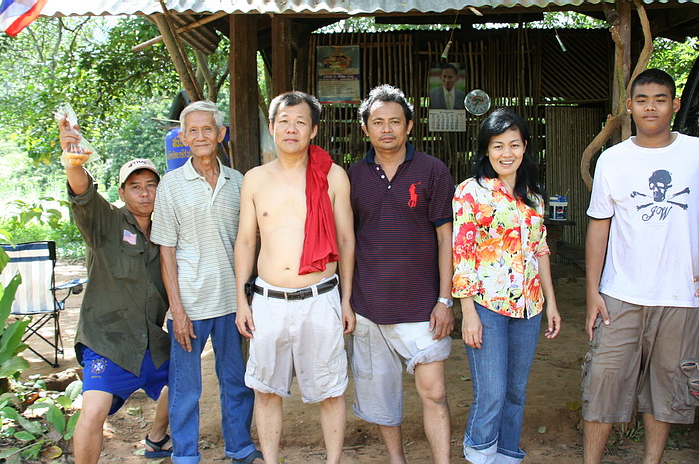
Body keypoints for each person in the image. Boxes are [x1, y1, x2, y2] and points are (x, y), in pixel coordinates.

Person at [582, 69, 699, 464]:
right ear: (630, 107)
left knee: (667, 389)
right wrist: (592, 292)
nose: (651, 107)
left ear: (675, 105)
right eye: (642, 100)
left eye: (660, 99)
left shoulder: (697, 153)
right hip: (620, 295)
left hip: (681, 296)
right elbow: (598, 227)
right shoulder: (612, 160)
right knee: (603, 383)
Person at [234, 91, 356, 464]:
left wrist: (346, 300)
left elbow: (347, 240)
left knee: (330, 390)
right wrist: (242, 301)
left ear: (313, 130)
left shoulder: (332, 176)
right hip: (269, 301)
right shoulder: (255, 179)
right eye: (284, 121)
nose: (292, 129)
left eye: (301, 122)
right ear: (272, 127)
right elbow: (246, 240)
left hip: (321, 297)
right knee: (266, 390)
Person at [150, 101, 262, 464]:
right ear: (183, 137)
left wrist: (247, 298)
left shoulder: (238, 182)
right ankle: (185, 455)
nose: (200, 137)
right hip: (191, 304)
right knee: (186, 388)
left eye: (207, 129)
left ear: (221, 134)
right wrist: (178, 311)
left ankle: (240, 448)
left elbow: (250, 242)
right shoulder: (170, 185)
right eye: (193, 131)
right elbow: (166, 252)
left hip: (232, 302)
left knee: (236, 382)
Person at [349, 84, 455, 464]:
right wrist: (346, 303)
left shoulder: (433, 170)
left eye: (395, 121)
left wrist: (445, 300)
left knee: (434, 393)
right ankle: (397, 460)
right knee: (382, 400)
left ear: (409, 126)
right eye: (378, 122)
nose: (387, 129)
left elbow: (446, 239)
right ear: (366, 128)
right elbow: (347, 241)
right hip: (369, 307)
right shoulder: (352, 176)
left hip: (423, 307)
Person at [451, 108, 561, 463]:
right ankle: (480, 455)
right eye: (498, 145)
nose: (506, 153)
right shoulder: (470, 192)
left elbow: (540, 251)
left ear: (525, 146)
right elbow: (462, 253)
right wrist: (468, 313)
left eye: (514, 144)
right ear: (486, 150)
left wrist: (551, 304)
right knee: (492, 393)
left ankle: (507, 456)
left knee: (515, 393)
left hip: (530, 308)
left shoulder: (533, 196)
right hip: (488, 308)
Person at [59, 120, 172, 463]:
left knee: (184, 385)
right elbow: (83, 193)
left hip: (152, 341)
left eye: (151, 185)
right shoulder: (105, 221)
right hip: (108, 342)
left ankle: (157, 439)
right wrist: (72, 160)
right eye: (135, 187)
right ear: (122, 193)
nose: (144, 193)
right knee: (93, 411)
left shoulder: (168, 230)